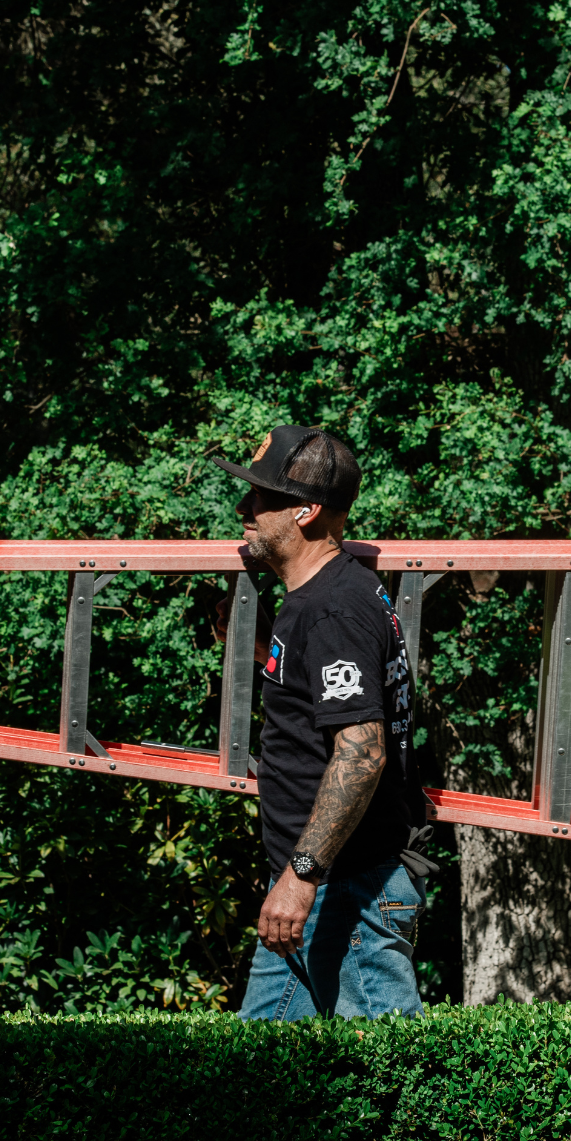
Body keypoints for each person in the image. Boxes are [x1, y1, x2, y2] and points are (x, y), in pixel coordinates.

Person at [210, 426, 425, 1019]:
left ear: (305, 511)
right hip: (318, 894)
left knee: (393, 1081)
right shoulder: (316, 598)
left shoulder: (332, 607)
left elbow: (362, 751)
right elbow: (324, 693)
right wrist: (261, 648)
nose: (243, 510)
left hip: (343, 895)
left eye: (259, 497)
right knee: (264, 1086)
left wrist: (301, 878)